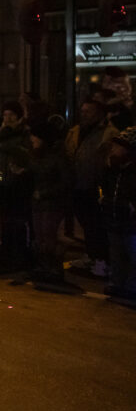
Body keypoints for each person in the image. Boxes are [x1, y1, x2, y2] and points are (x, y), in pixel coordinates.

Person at [65, 98, 118, 277]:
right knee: (87, 223)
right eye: (83, 110)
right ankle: (91, 255)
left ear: (100, 114)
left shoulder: (108, 133)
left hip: (95, 185)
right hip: (78, 184)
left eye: (89, 111)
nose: (84, 114)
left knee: (97, 224)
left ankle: (102, 260)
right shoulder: (76, 131)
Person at [0, 102, 32, 272]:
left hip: (17, 184)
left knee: (16, 223)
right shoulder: (1, 133)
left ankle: (17, 258)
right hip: (1, 183)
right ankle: (4, 256)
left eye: (12, 114)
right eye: (5, 115)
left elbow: (25, 153)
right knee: (4, 223)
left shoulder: (25, 133)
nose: (8, 118)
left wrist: (5, 146)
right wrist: (0, 132)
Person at [27, 121, 69, 284]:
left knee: (49, 236)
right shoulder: (37, 154)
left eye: (35, 137)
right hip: (38, 202)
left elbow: (66, 181)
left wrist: (44, 193)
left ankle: (53, 269)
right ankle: (43, 267)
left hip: (52, 204)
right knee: (40, 236)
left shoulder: (57, 157)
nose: (32, 139)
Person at [102, 127, 136, 299]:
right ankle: (117, 283)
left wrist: (131, 206)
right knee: (116, 253)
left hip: (130, 220)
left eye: (117, 147)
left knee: (132, 254)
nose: (113, 150)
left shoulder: (131, 171)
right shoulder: (114, 169)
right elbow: (108, 188)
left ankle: (131, 286)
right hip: (114, 216)